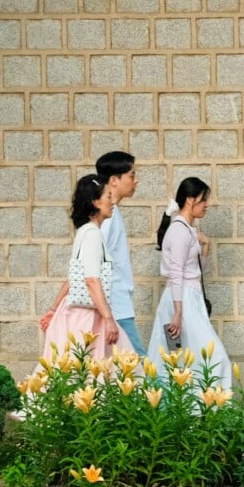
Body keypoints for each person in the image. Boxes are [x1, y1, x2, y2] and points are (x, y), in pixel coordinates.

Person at [146, 176, 231, 389]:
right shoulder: (178, 232)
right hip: (181, 300)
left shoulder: (188, 230)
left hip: (189, 298)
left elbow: (198, 271)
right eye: (203, 200)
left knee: (187, 360)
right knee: (213, 357)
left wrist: (205, 246)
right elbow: (176, 274)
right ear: (190, 200)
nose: (206, 205)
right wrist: (177, 312)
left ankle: (195, 414)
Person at [38, 174, 121, 360]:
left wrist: (53, 308)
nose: (113, 201)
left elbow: (73, 279)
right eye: (108, 196)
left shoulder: (83, 232)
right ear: (96, 202)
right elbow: (91, 280)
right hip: (87, 318)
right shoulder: (93, 234)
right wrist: (108, 319)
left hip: (73, 313)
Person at [95, 151, 146, 356]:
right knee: (142, 365)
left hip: (117, 304)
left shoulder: (113, 214)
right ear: (114, 180)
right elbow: (95, 263)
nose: (136, 181)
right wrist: (108, 314)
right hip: (115, 305)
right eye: (132, 176)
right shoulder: (108, 217)